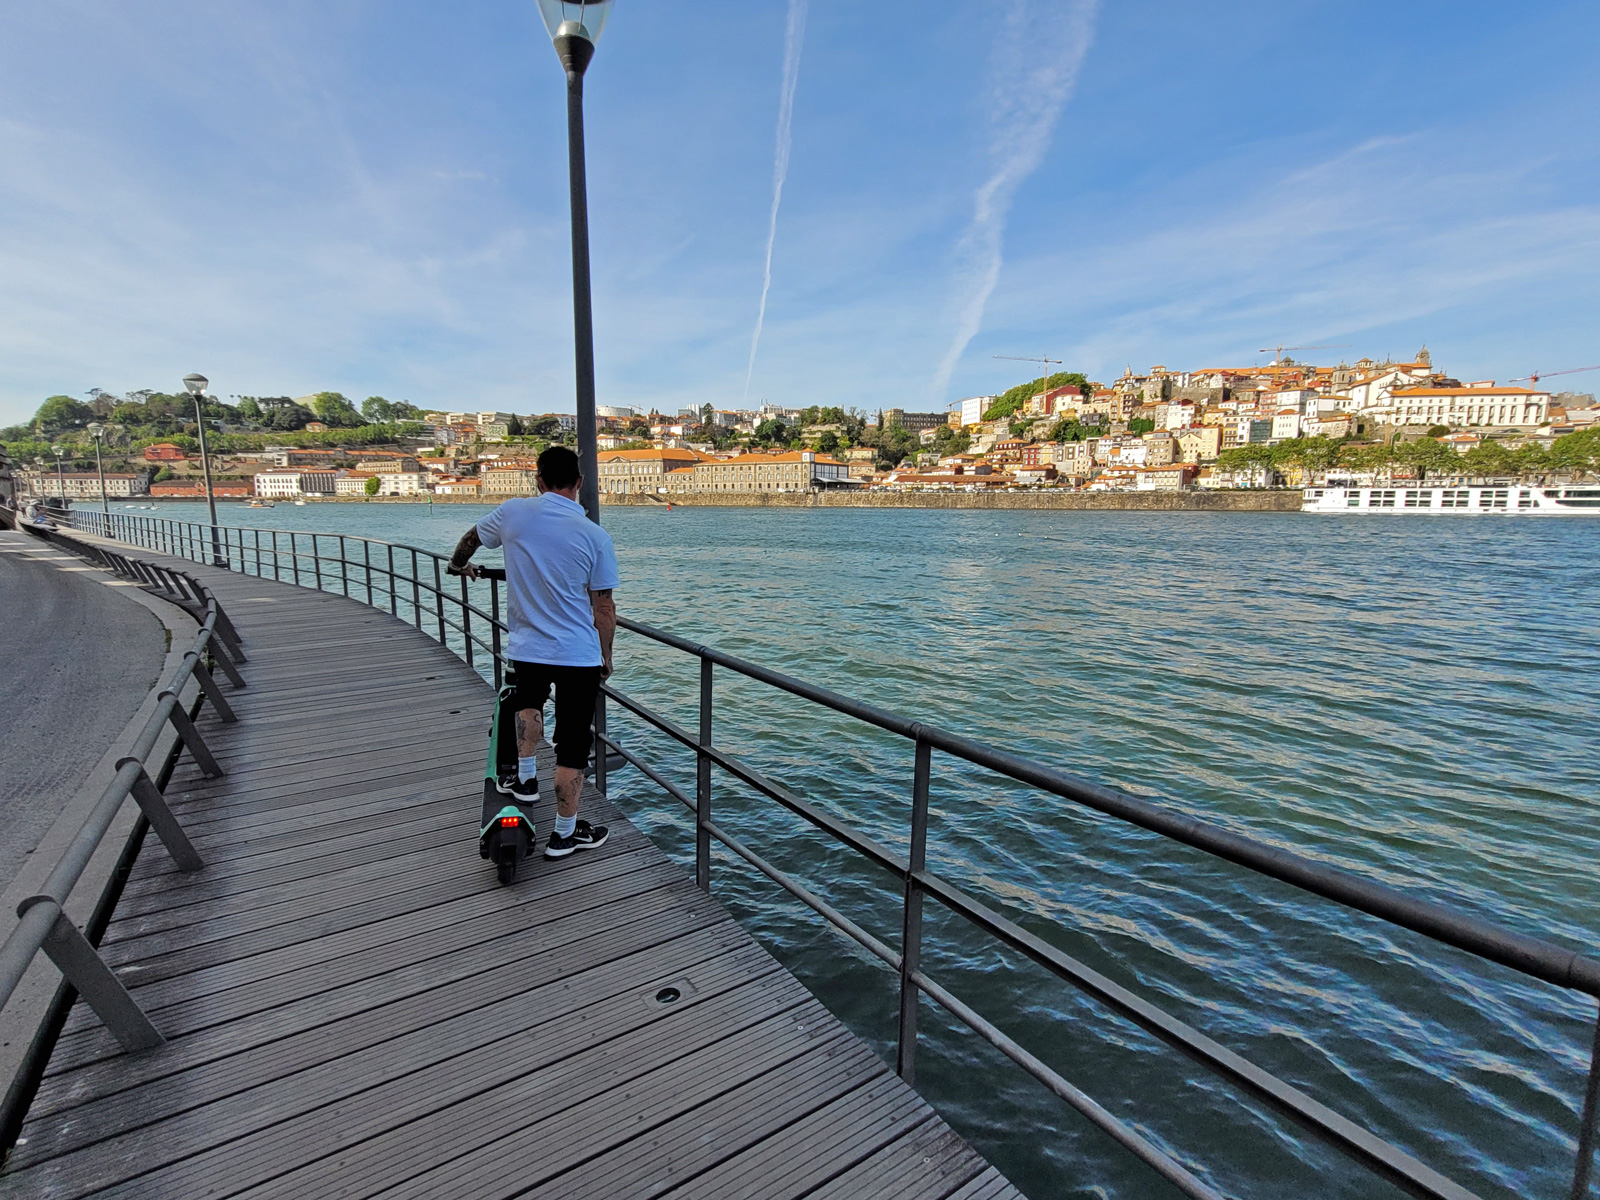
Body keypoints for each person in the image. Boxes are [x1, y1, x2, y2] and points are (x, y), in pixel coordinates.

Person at [448, 446, 617, 859]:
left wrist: (458, 567)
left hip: (528, 645)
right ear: (578, 483)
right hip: (577, 654)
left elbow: (469, 541)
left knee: (528, 706)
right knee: (573, 747)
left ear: (538, 481)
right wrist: (606, 657)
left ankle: (525, 781)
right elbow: (604, 608)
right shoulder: (595, 536)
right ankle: (564, 834)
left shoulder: (513, 513)